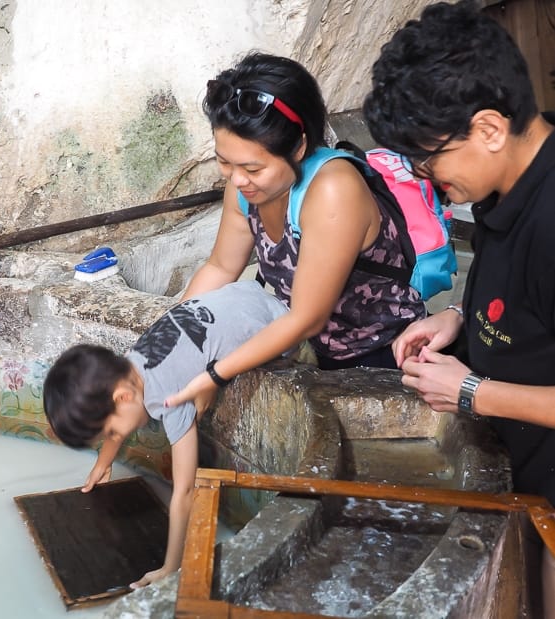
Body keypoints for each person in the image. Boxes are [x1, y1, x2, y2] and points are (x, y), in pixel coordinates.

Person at [361, 0, 555, 612]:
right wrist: (460, 321)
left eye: (429, 158)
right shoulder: (509, 183)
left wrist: (472, 393)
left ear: (490, 129)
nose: (424, 176)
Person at [164, 52, 426, 414]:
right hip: (319, 353)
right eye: (225, 162)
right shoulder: (244, 189)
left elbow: (306, 317)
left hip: (389, 359)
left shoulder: (334, 189)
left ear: (299, 147)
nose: (238, 179)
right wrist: (168, 342)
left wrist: (215, 374)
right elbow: (221, 268)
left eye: (253, 167)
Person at [42, 280, 292, 589]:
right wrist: (103, 463)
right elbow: (119, 423)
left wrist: (170, 568)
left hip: (282, 326)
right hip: (246, 294)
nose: (114, 436)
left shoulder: (170, 397)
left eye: (109, 431)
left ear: (122, 397)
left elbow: (186, 491)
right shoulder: (131, 362)